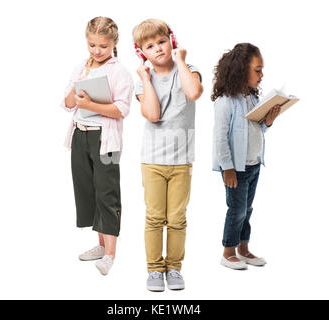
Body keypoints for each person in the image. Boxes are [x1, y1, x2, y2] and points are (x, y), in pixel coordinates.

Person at [133, 19, 203, 291]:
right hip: (152, 160)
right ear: (142, 53)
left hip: (181, 160)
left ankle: (174, 268)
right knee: (154, 216)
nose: (158, 49)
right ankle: (154, 269)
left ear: (171, 40)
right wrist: (145, 78)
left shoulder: (189, 70)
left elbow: (193, 92)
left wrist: (181, 61)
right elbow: (152, 114)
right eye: (149, 46)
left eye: (161, 41)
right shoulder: (143, 81)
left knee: (176, 217)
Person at [61, 16, 134, 276]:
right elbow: (68, 103)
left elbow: (121, 109)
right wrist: (79, 84)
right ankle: (100, 245)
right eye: (92, 45)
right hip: (80, 136)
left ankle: (111, 253)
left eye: (103, 46)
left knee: (107, 192)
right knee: (88, 191)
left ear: (114, 43)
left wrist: (90, 104)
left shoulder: (119, 71)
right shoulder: (82, 66)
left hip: (105, 140)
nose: (97, 51)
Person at [211, 43, 281, 270]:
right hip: (235, 168)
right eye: (257, 70)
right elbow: (220, 139)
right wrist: (228, 168)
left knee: (247, 209)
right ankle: (228, 251)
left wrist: (268, 121)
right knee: (237, 209)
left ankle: (243, 248)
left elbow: (258, 129)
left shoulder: (253, 99)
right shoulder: (225, 102)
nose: (261, 75)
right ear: (242, 70)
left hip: (253, 164)